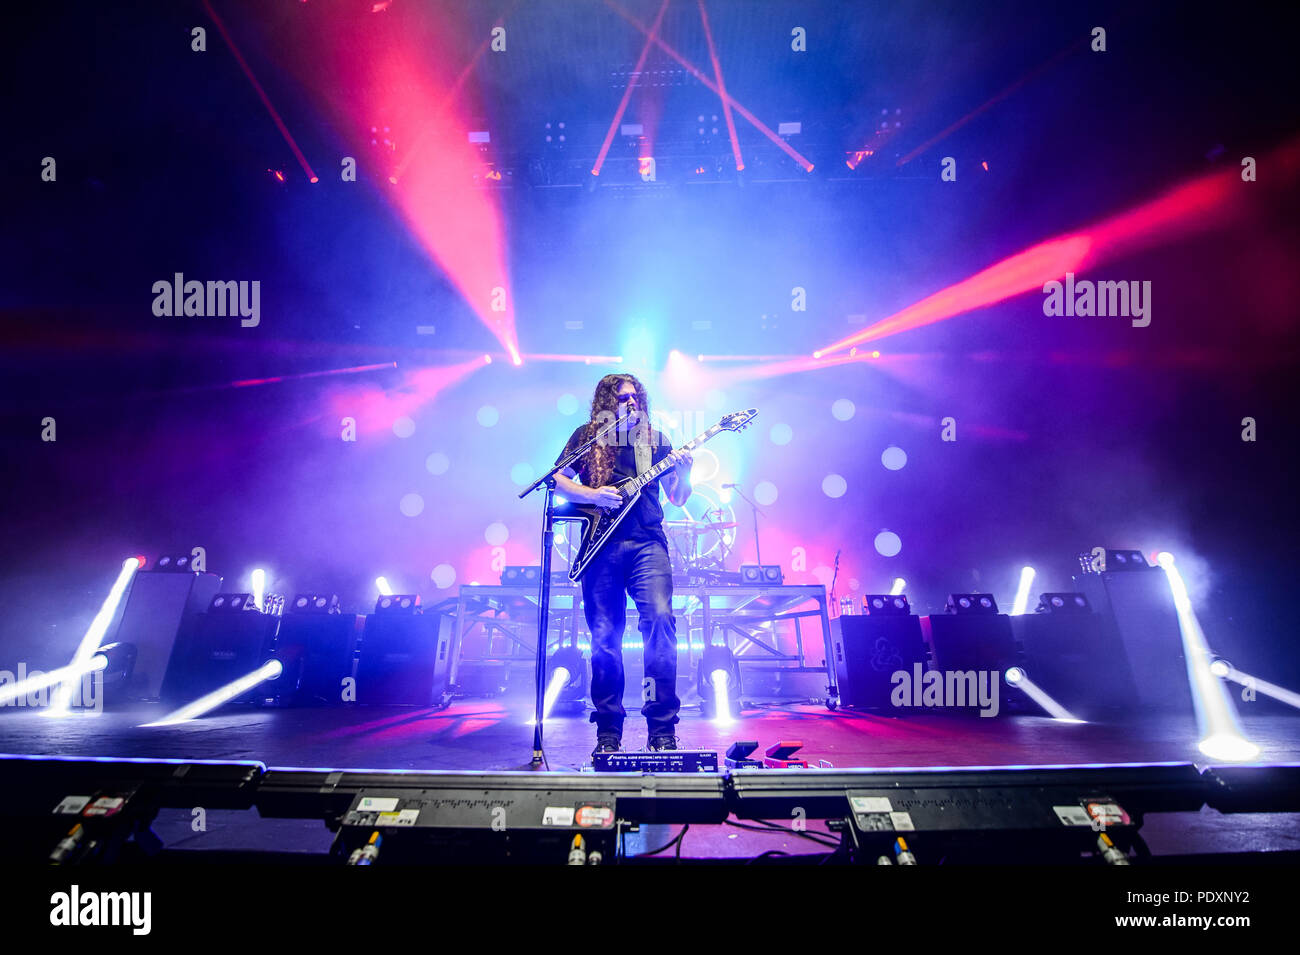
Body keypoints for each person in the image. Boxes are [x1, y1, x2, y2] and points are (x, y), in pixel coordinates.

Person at [553, 374, 693, 756]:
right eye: (622, 398)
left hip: (648, 543)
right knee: (604, 639)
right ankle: (608, 730)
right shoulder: (586, 436)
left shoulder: (655, 440)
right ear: (606, 404)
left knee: (661, 623)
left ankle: (662, 728)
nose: (631, 403)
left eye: (635, 397)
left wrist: (685, 472)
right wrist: (593, 494)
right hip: (601, 548)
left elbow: (678, 498)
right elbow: (558, 480)